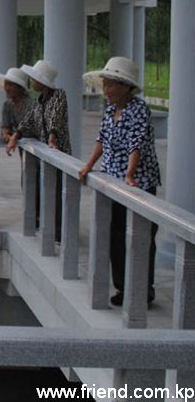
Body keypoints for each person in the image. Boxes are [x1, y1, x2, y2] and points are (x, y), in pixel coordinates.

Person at [78, 57, 160, 307]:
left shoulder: (138, 109)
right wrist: (89, 166)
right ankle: (123, 287)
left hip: (138, 183)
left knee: (141, 237)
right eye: (105, 84)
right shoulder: (109, 110)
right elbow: (101, 139)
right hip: (113, 181)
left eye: (112, 84)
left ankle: (144, 288)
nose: (107, 89)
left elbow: (137, 143)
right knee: (115, 235)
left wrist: (129, 175)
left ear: (126, 86)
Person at [6, 59, 71, 240]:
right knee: (45, 190)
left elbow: (56, 117)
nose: (31, 82)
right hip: (46, 153)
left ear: (42, 81)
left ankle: (58, 231)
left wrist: (52, 135)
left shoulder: (59, 95)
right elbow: (28, 119)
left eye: (34, 79)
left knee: (58, 192)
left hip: (59, 151)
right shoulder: (38, 101)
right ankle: (45, 223)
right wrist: (15, 134)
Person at [0, 67, 38, 227]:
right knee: (27, 179)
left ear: (20, 87)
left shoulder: (32, 104)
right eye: (6, 84)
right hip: (24, 149)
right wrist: (6, 134)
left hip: (38, 145)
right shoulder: (7, 105)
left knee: (40, 181)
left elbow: (27, 126)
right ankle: (31, 217)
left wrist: (14, 136)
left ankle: (42, 219)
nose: (7, 88)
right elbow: (5, 126)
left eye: (11, 85)